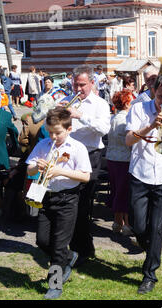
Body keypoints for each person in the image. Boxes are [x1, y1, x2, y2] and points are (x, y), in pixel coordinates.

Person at [125, 74, 162, 294]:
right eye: (160, 96)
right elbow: (128, 140)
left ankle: (150, 274)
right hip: (140, 173)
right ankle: (151, 251)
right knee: (139, 226)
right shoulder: (139, 108)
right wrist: (150, 126)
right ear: (154, 91)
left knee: (157, 227)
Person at [26, 108, 92, 299]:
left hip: (68, 199)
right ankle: (69, 256)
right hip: (46, 196)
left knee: (58, 245)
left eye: (58, 132)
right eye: (50, 132)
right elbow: (29, 170)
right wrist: (35, 167)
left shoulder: (78, 148)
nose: (53, 136)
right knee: (42, 240)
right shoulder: (43, 145)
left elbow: (85, 176)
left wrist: (61, 172)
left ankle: (54, 284)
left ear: (69, 129)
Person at [63, 65, 111, 267]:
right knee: (71, 201)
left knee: (82, 204)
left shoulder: (100, 104)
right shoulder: (69, 101)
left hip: (91, 155)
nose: (78, 89)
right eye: (75, 84)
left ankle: (79, 249)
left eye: (82, 84)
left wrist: (79, 115)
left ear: (93, 83)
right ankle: (83, 246)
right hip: (69, 155)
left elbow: (103, 129)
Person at [106, 89, 133, 236]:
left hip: (112, 158)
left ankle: (117, 222)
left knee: (117, 190)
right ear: (127, 102)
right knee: (124, 192)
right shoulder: (126, 120)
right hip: (124, 159)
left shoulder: (113, 118)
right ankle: (127, 224)